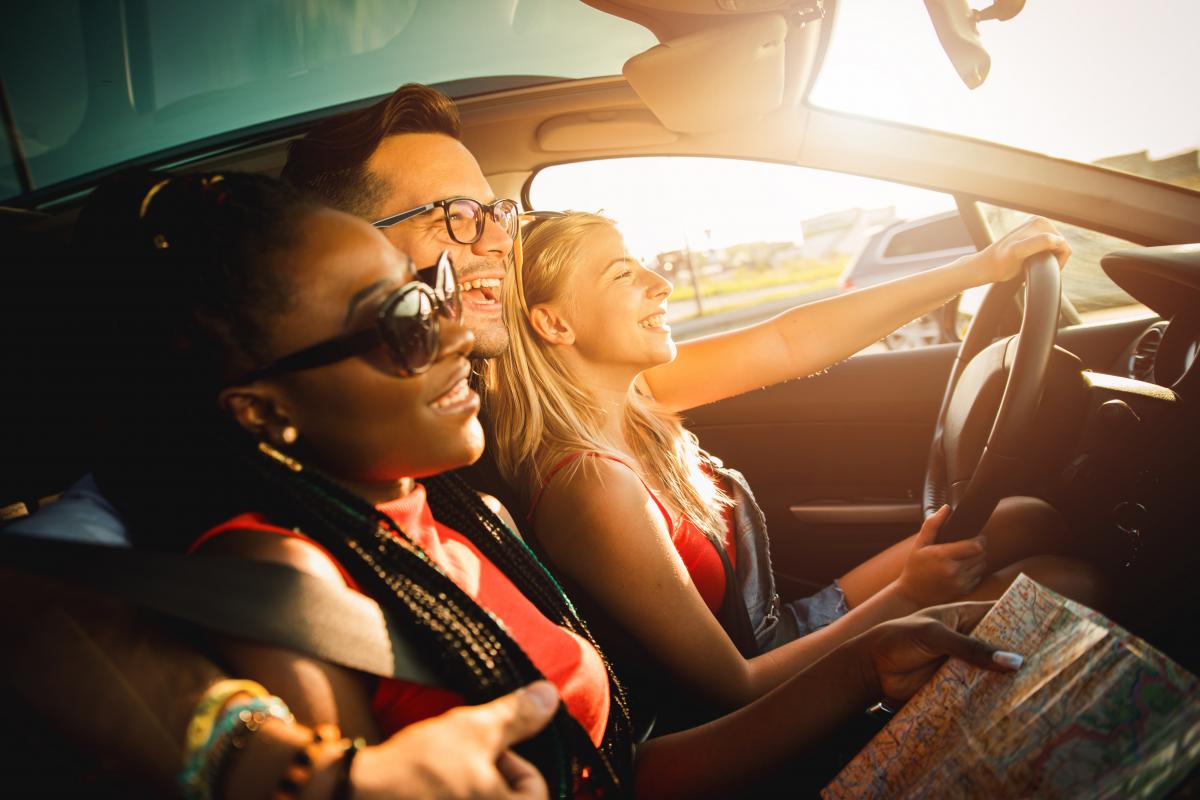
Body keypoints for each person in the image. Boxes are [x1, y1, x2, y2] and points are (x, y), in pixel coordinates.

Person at [83, 168, 1022, 799]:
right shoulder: (282, 582)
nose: (456, 334)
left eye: (442, 290)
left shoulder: (458, 516)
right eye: (405, 318)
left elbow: (625, 771)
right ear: (258, 409)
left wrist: (862, 661)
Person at [484, 210, 1104, 720]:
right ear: (553, 323)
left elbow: (792, 342)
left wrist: (981, 267)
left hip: (787, 628)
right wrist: (909, 593)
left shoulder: (638, 395)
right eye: (623, 274)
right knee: (1066, 584)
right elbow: (736, 691)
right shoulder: (591, 485)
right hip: (776, 690)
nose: (660, 282)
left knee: (1025, 518)